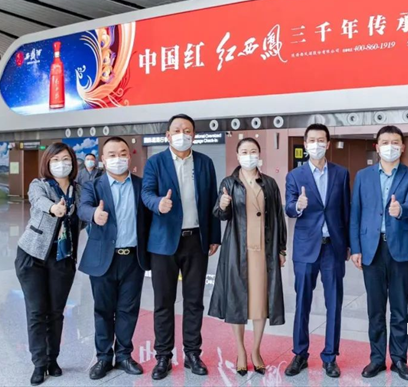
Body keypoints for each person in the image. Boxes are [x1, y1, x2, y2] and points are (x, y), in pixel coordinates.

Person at [141, 114, 221, 380]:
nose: (182, 134)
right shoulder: (155, 162)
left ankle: (192, 353)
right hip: (163, 242)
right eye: (177, 130)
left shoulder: (205, 163)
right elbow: (146, 193)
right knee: (163, 302)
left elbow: (212, 200)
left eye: (187, 130)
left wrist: (214, 236)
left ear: (194, 135)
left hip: (196, 240)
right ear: (167, 135)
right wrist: (158, 204)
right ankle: (163, 356)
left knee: (194, 301)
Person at [208, 138, 287, 376]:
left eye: (253, 151)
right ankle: (241, 350)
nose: (249, 155)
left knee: (260, 302)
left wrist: (281, 249)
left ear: (259, 155)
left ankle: (256, 350)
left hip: (264, 252)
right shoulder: (229, 183)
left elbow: (278, 217)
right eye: (244, 151)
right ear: (237, 155)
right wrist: (223, 205)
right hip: (237, 251)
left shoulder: (269, 183)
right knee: (237, 301)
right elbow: (219, 214)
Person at [349, 125, 408, 380]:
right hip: (372, 249)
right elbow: (356, 213)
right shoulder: (363, 176)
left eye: (395, 142)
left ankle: (399, 359)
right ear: (377, 147)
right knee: (375, 309)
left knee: (400, 309)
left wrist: (400, 210)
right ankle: (377, 358)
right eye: (385, 142)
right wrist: (355, 248)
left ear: (402, 147)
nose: (390, 146)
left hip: (400, 249)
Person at [78, 137, 151, 380]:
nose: (117, 159)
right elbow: (83, 208)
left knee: (128, 309)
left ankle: (124, 355)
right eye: (111, 154)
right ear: (103, 159)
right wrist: (93, 214)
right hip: (103, 259)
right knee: (103, 310)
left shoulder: (141, 185)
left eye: (122, 153)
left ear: (129, 157)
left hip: (133, 258)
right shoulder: (93, 186)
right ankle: (103, 357)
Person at [284, 124, 350, 378]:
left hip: (333, 247)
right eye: (312, 140)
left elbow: (346, 210)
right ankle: (300, 354)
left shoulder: (341, 173)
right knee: (302, 302)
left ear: (328, 143)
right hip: (305, 248)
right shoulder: (295, 175)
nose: (316, 144)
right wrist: (298, 206)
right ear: (305, 144)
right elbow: (289, 208)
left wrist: (349, 245)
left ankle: (330, 357)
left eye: (321, 140)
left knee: (334, 303)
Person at [15, 142, 84, 386]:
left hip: (62, 258)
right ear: (47, 162)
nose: (61, 164)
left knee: (56, 312)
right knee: (36, 312)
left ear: (72, 163)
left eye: (65, 159)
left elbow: (83, 216)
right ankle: (38, 363)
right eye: (55, 160)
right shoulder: (40, 185)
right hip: (32, 255)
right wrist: (54, 208)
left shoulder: (78, 190)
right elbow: (39, 201)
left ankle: (52, 359)